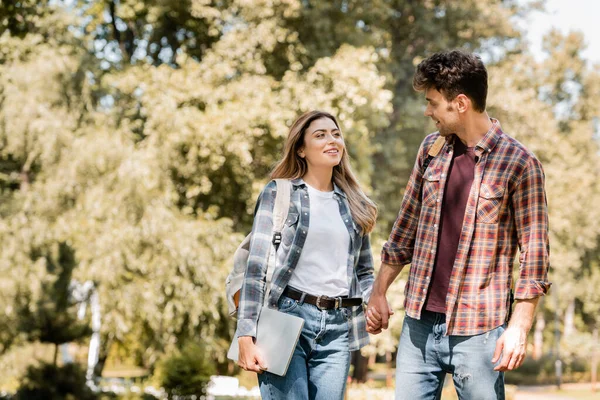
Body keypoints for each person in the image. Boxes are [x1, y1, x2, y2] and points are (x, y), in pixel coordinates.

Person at [366, 50, 551, 400]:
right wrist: (378, 292)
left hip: (479, 331)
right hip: (419, 325)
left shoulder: (520, 164)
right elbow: (405, 228)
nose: (427, 111)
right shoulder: (431, 150)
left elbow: (535, 256)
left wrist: (519, 328)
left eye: (433, 102)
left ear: (461, 103)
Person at [236, 110, 378, 400]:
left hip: (338, 327)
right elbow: (257, 268)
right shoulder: (279, 192)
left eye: (336, 133)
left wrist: (374, 302)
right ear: (301, 149)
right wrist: (245, 333)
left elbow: (364, 271)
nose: (332, 140)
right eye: (320, 134)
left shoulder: (354, 202)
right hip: (286, 317)